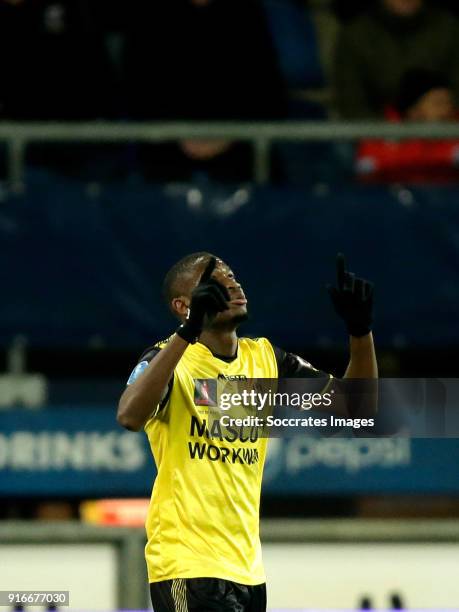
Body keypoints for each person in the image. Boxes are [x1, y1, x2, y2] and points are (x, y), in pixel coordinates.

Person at [117, 252, 377, 612]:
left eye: (233, 276)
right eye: (215, 280)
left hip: (248, 573)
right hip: (188, 565)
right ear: (183, 305)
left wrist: (360, 332)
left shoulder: (265, 359)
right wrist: (188, 332)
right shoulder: (168, 361)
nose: (232, 284)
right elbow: (129, 415)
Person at [333, 0, 459, 119]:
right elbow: (351, 102)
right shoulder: (355, 35)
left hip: (444, 129)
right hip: (376, 132)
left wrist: (443, 114)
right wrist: (389, 133)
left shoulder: (449, 29)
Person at [356, 68, 459, 183]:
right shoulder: (379, 139)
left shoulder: (455, 133)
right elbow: (366, 184)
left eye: (449, 103)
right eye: (438, 104)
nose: (447, 110)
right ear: (413, 110)